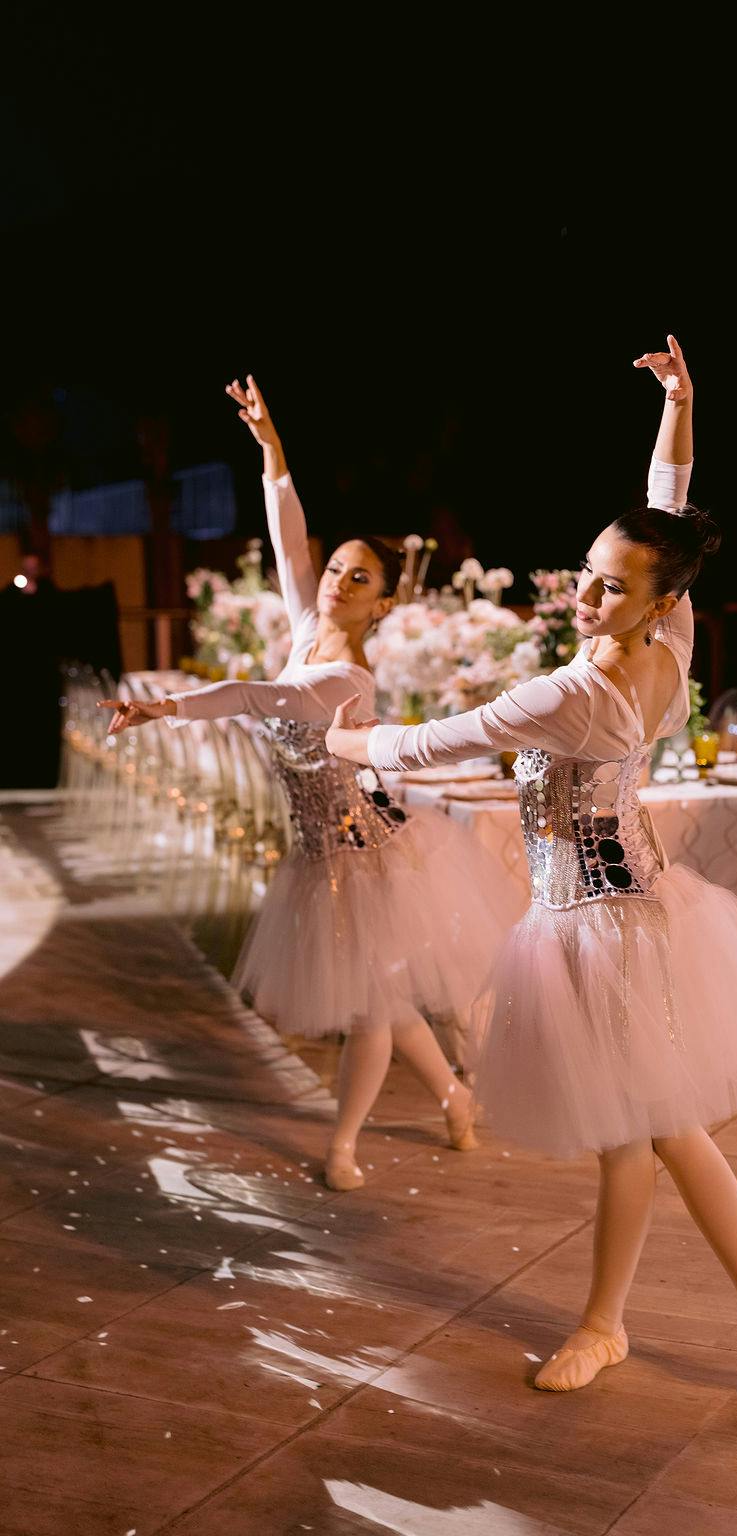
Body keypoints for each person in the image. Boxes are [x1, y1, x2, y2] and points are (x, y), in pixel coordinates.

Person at [325, 337, 737, 1412]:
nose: (585, 595)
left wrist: (324, 743)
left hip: (598, 925)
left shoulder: (577, 694)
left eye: (608, 588)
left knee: (656, 1127)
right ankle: (622, 1324)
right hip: (629, 910)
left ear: (653, 602)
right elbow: (670, 504)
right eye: (586, 574)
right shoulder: (673, 632)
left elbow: (429, 744)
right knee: (631, 1135)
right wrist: (679, 407)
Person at [101, 377, 520, 1191]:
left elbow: (262, 699)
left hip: (366, 852)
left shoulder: (347, 678)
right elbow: (286, 537)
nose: (335, 581)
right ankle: (454, 1097)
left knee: (369, 1008)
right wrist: (271, 449)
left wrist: (164, 707)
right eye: (336, 569)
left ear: (384, 604)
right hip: (317, 855)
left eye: (358, 579)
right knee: (386, 1003)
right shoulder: (305, 629)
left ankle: (344, 1146)